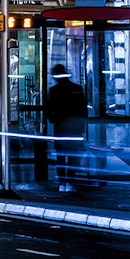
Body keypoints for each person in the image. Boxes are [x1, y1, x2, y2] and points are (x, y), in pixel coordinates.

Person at [45, 63, 87, 192]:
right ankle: (70, 182)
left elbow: (49, 110)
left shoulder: (53, 91)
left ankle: (62, 182)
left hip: (61, 129)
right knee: (73, 157)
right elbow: (83, 111)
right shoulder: (77, 88)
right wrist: (81, 128)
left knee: (61, 157)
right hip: (74, 129)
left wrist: (53, 119)